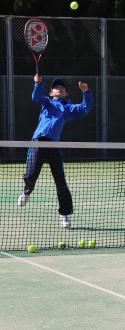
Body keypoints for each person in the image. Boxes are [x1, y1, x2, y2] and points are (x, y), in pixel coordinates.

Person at [17, 74, 93, 229]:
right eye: (56, 88)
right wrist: (38, 83)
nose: (59, 89)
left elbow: (85, 108)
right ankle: (26, 192)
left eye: (62, 88)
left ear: (66, 94)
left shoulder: (67, 109)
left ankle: (63, 214)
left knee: (61, 183)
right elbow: (35, 97)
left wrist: (86, 92)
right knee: (30, 175)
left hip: (53, 146)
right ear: (51, 93)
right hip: (38, 143)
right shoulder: (46, 103)